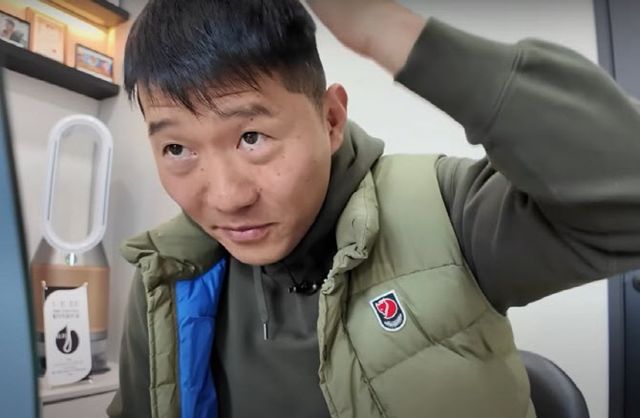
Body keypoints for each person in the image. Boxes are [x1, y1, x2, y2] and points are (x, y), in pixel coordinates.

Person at [107, 0, 640, 417]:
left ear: (331, 120)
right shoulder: (168, 278)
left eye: (252, 137)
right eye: (177, 149)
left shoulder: (445, 210)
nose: (227, 197)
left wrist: (386, 28)